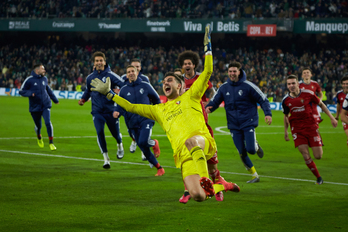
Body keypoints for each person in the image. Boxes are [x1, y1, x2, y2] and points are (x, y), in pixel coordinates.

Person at [90, 25, 240, 202]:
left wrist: (208, 49)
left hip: (201, 142)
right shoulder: (158, 110)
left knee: (191, 141)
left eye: (170, 81)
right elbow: (130, 107)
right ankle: (223, 185)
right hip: (184, 155)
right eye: (164, 82)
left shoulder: (191, 95)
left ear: (180, 86)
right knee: (198, 196)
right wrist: (109, 94)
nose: (165, 83)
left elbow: (208, 71)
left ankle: (205, 178)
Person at [206, 61, 272, 183]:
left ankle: (256, 146)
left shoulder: (248, 86)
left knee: (251, 149)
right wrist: (209, 108)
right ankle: (254, 175)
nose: (232, 73)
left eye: (234, 71)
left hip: (248, 121)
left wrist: (267, 114)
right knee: (242, 151)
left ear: (239, 72)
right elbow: (214, 101)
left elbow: (263, 99)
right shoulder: (224, 87)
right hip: (233, 125)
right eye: (230, 71)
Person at [177, 50, 225, 203]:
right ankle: (186, 191)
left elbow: (212, 91)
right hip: (186, 127)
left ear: (194, 65)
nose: (187, 65)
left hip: (202, 125)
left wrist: (208, 104)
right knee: (187, 159)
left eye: (189, 63)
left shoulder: (200, 78)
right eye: (184, 64)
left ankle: (218, 184)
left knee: (211, 167)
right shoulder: (179, 81)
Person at [282, 75, 338, 185]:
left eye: (293, 83)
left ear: (298, 83)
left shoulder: (308, 93)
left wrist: (332, 118)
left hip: (311, 127)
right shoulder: (285, 100)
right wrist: (285, 131)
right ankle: (318, 177)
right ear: (287, 86)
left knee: (318, 156)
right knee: (305, 153)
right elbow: (286, 115)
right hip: (297, 130)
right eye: (289, 84)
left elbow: (321, 104)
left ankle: (317, 144)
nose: (291, 86)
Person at [114, 65, 164, 176]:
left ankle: (154, 143)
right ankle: (159, 168)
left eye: (133, 71)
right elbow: (119, 105)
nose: (131, 73)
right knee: (143, 146)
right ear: (126, 75)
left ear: (137, 73)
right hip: (131, 122)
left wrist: (157, 111)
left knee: (142, 142)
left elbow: (156, 99)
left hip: (146, 119)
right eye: (128, 72)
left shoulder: (146, 85)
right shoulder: (123, 90)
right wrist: (116, 111)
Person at [78, 51, 125, 169]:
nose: (99, 63)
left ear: (104, 62)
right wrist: (83, 99)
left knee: (115, 134)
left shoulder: (111, 75)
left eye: (101, 60)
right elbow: (88, 91)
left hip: (110, 110)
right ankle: (106, 159)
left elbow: (124, 85)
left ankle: (119, 144)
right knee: (99, 132)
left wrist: (117, 92)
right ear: (94, 63)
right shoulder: (90, 78)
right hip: (97, 111)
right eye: (97, 61)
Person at [19, 64, 59, 151]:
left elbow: (48, 89)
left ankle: (51, 143)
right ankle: (39, 137)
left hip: (45, 105)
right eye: (42, 69)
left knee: (48, 122)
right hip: (35, 108)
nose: (44, 70)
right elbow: (21, 91)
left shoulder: (44, 78)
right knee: (38, 126)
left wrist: (55, 100)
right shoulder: (29, 80)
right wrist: (30, 93)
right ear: (37, 70)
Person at [120, 58, 155, 158]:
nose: (135, 69)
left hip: (142, 111)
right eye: (133, 67)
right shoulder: (123, 78)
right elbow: (120, 89)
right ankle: (134, 141)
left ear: (140, 68)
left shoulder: (145, 79)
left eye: (137, 67)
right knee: (131, 131)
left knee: (144, 132)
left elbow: (150, 93)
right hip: (129, 112)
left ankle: (143, 151)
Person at [335, 76, 348, 146]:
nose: (345, 85)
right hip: (345, 117)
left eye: (347, 83)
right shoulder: (339, 94)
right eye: (344, 84)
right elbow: (338, 104)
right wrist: (337, 115)